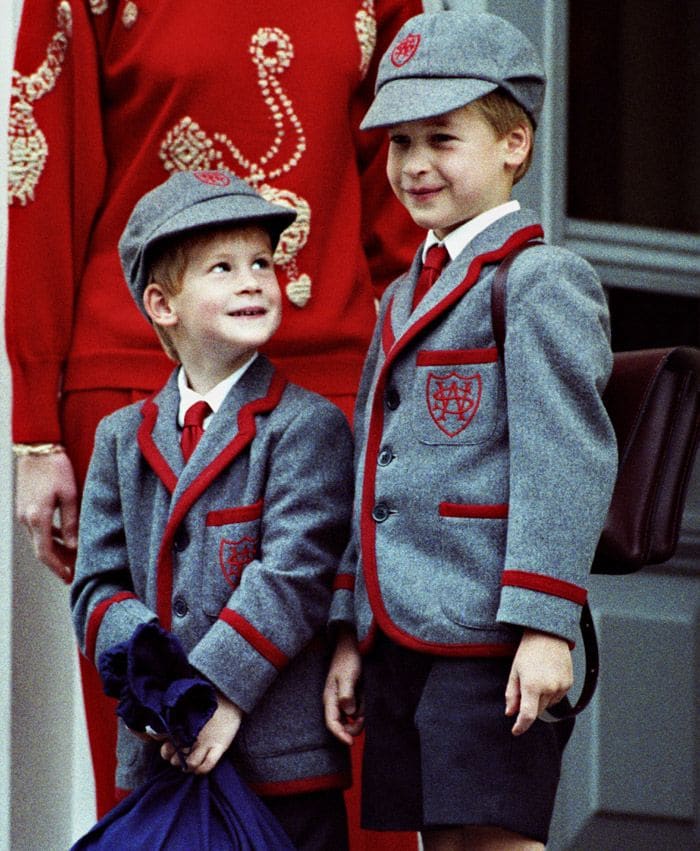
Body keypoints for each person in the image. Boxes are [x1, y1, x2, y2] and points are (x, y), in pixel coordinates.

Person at [7, 0, 421, 834]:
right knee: (154, 758)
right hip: (137, 387)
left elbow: (403, 199)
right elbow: (41, 175)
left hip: (339, 387)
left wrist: (414, 387)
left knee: (342, 753)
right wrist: (36, 426)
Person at [323, 11, 618, 851]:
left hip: (491, 633)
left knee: (493, 841)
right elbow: (370, 471)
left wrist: (546, 621)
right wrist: (351, 627)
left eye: (442, 138)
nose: (413, 165)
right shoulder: (400, 296)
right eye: (398, 142)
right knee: (440, 842)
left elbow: (567, 456)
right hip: (404, 631)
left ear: (513, 143)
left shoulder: (539, 280)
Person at [71, 168, 355, 850]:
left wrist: (215, 694)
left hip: (280, 767)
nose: (253, 279)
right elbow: (97, 586)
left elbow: (295, 574)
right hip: (163, 760)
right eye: (222, 268)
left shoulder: (306, 425)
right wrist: (158, 692)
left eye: (262, 261)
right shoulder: (121, 439)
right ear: (163, 304)